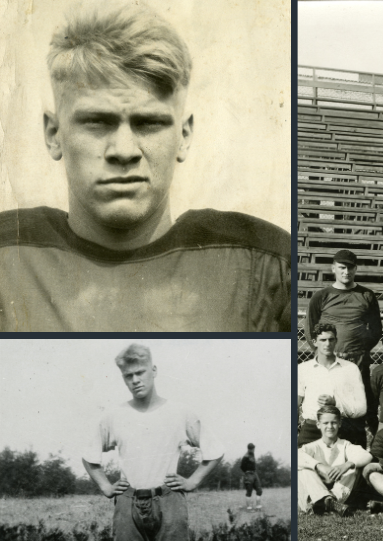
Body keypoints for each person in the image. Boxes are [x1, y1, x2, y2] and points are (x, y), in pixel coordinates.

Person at [0, 3, 291, 332]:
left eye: (149, 123)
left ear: (183, 136)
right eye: (97, 122)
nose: (124, 151)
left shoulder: (264, 266)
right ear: (54, 134)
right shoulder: (8, 258)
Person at [82, 344, 222, 541]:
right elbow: (91, 456)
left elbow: (214, 451)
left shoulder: (180, 412)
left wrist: (193, 481)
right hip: (129, 502)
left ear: (153, 371)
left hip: (169, 501)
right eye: (128, 376)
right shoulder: (114, 415)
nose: (135, 381)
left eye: (140, 373)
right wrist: (105, 485)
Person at [304, 249, 383, 431]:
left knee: (360, 405)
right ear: (333, 268)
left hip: (358, 360)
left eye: (350, 268)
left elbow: (376, 329)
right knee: (328, 404)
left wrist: (360, 347)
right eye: (341, 267)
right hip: (330, 362)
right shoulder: (321, 296)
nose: (346, 272)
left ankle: (368, 446)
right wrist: (324, 354)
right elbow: (310, 329)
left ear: (356, 269)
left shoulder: (367, 295)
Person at [297, 323, 367, 448]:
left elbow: (361, 408)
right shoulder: (303, 369)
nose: (327, 344)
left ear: (336, 341)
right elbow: (295, 405)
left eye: (331, 339)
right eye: (323, 340)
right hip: (312, 428)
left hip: (340, 427)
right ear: (314, 342)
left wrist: (336, 403)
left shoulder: (350, 368)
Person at [297, 404, 372, 517]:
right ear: (318, 424)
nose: (330, 426)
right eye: (325, 423)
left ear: (340, 424)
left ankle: (330, 502)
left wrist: (347, 465)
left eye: (334, 422)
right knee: (303, 469)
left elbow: (366, 455)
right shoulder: (311, 447)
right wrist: (319, 466)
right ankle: (325, 502)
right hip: (313, 494)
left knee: (352, 469)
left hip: (338, 496)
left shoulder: (345, 445)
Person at [240, 443, 262, 511]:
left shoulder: (253, 454)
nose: (254, 450)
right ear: (249, 449)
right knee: (249, 491)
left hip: (254, 473)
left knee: (259, 490)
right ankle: (249, 508)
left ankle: (258, 507)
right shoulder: (245, 457)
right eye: (252, 449)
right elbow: (241, 466)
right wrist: (246, 472)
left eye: (254, 449)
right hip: (248, 474)